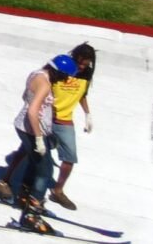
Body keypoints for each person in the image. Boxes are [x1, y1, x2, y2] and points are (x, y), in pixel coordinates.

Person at [0, 53, 78, 233]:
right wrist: (39, 138)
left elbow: (26, 97)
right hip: (31, 130)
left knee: (34, 162)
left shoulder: (36, 74)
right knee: (45, 170)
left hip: (26, 128)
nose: (64, 80)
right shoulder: (45, 84)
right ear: (57, 72)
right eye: (64, 77)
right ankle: (31, 215)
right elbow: (32, 111)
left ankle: (24, 196)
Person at [47, 43, 96, 211]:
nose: (82, 67)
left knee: (69, 158)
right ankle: (7, 181)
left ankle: (58, 190)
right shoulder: (62, 67)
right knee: (28, 151)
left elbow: (82, 94)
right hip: (47, 117)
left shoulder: (86, 74)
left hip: (65, 120)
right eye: (80, 63)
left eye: (86, 64)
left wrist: (87, 114)